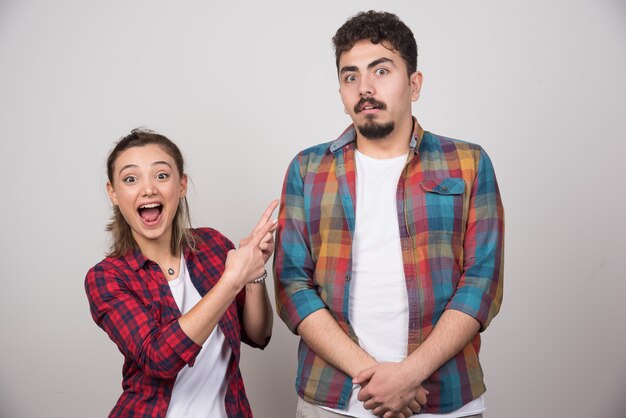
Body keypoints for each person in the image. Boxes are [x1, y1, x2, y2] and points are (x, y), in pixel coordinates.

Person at [273, 10, 504, 418]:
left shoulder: (468, 163)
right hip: (333, 400)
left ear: (414, 84)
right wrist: (375, 377)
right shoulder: (307, 170)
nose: (364, 88)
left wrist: (410, 374)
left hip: (444, 400)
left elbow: (482, 282)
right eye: (350, 76)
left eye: (381, 70)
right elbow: (292, 286)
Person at [85, 129, 278, 418]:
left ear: (182, 185)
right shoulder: (107, 278)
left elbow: (258, 335)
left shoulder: (212, 246)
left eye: (161, 175)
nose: (148, 189)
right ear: (113, 193)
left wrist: (253, 275)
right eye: (130, 179)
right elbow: (159, 358)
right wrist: (232, 279)